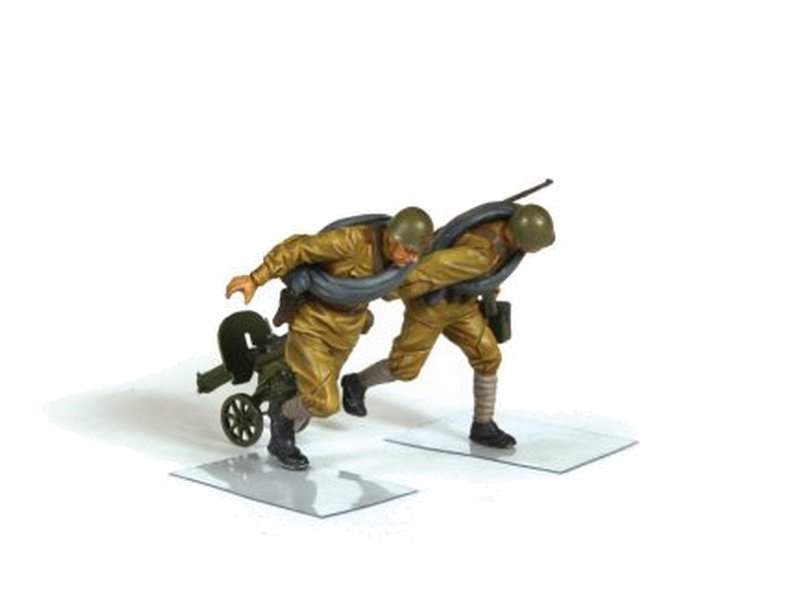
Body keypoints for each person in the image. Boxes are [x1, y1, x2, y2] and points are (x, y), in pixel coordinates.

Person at [226, 207, 434, 470]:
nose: (412, 258)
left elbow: (393, 286)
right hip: (312, 325)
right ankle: (281, 422)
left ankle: (291, 407)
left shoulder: (398, 263)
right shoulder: (350, 242)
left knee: (316, 391)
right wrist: (256, 278)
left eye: (417, 253)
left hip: (347, 330)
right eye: (408, 250)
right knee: (325, 403)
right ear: (391, 238)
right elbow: (298, 248)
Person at [341, 204, 554, 448]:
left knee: (488, 357)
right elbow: (425, 270)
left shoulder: (503, 234)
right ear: (521, 239)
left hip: (463, 305)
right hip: (431, 307)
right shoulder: (477, 256)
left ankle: (483, 424)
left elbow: (491, 269)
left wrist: (487, 285)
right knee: (404, 368)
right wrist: (382, 288)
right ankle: (357, 383)